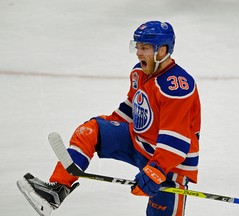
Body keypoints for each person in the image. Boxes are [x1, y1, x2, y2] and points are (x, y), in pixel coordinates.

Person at [17, 21, 201, 216]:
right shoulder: (139, 72)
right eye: (137, 47)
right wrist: (105, 126)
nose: (138, 53)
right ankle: (56, 191)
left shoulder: (177, 87)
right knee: (90, 131)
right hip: (139, 143)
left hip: (171, 162)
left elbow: (176, 140)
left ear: (162, 51)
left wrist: (156, 169)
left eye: (144, 48)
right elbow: (133, 107)